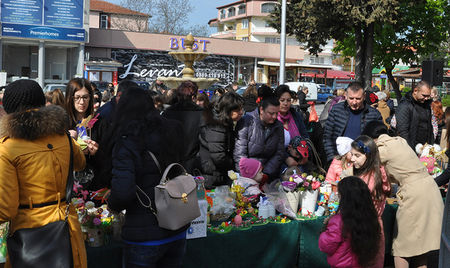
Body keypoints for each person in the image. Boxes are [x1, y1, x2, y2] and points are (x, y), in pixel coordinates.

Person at [0, 79, 87, 268]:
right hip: (67, 229)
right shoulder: (62, 136)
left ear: (9, 109)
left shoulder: (7, 147)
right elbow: (80, 163)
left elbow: (5, 207)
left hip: (30, 234)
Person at [106, 86, 186, 268]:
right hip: (176, 226)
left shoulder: (127, 141)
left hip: (145, 235)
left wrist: (112, 205)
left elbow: (123, 192)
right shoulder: (171, 130)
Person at [362, 121, 444, 268]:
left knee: (402, 247)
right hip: (430, 189)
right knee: (421, 246)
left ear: (372, 139)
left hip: (414, 194)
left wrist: (344, 175)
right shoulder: (399, 141)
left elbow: (364, 166)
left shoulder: (382, 148)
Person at [347, 135, 390, 268]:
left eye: (357, 155)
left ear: (369, 156)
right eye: (352, 154)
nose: (352, 159)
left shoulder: (365, 180)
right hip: (375, 227)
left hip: (364, 229)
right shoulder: (379, 172)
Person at [319, 176, 381, 268]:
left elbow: (326, 245)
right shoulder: (370, 218)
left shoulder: (339, 221)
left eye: (339, 195)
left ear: (345, 199)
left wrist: (327, 227)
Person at [234, 85, 284, 182]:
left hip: (269, 175)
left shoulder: (278, 126)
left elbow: (279, 153)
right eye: (271, 113)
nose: (274, 117)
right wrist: (251, 174)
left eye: (277, 113)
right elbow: (239, 154)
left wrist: (265, 174)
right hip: (247, 174)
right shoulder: (246, 122)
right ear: (261, 110)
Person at [323, 81, 382, 164]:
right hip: (339, 160)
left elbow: (379, 140)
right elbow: (327, 137)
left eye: (358, 99)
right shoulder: (336, 110)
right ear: (345, 96)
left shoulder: (374, 114)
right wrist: (332, 158)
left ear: (364, 96)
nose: (354, 102)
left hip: (364, 162)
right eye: (351, 98)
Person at [198, 92, 244, 188]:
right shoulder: (217, 125)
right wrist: (232, 164)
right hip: (211, 174)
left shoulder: (224, 121)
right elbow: (218, 156)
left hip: (215, 172)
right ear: (228, 110)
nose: (241, 112)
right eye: (238, 110)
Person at [64, 78, 100, 189]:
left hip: (93, 181)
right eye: (77, 97)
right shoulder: (61, 122)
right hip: (67, 182)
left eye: (85, 97)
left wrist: (96, 152)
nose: (82, 102)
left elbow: (107, 155)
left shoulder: (98, 121)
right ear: (70, 98)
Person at [162, 81, 203, 173]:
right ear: (194, 96)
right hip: (193, 163)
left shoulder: (168, 113)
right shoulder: (202, 114)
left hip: (171, 162)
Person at [396, 81, 434, 149]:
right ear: (415, 91)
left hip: (425, 147)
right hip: (411, 148)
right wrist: (410, 149)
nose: (426, 98)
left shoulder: (426, 105)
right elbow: (403, 131)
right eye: (424, 95)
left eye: (428, 96)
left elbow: (429, 127)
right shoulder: (405, 105)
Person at [275, 85, 309, 150]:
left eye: (288, 100)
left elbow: (305, 136)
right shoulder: (272, 118)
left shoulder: (295, 115)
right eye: (282, 100)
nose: (285, 103)